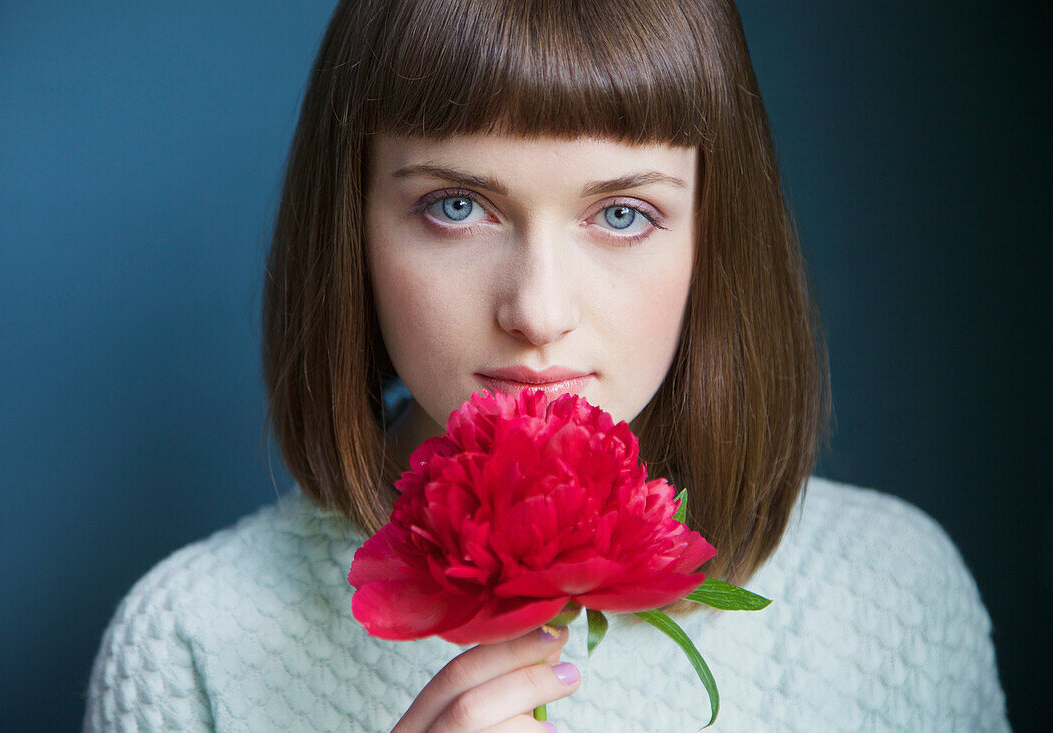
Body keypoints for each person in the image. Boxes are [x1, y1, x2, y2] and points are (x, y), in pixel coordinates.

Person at [82, 1, 1008, 730]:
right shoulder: (191, 644)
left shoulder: (895, 593)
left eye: (621, 215)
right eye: (455, 206)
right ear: (352, 228)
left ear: (712, 238)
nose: (537, 312)